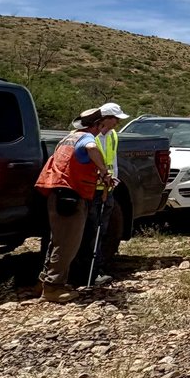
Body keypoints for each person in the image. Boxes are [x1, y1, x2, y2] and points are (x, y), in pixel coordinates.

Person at [35, 106, 120, 303]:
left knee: (57, 240)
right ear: (97, 124)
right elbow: (91, 148)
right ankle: (53, 287)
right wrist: (104, 171)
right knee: (68, 243)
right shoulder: (87, 138)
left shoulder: (69, 137)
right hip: (71, 196)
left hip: (56, 193)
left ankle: (44, 282)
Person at [76, 102, 129, 288]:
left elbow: (111, 161)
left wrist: (113, 179)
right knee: (91, 230)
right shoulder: (90, 137)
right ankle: (88, 271)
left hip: (107, 189)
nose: (117, 123)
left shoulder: (113, 136)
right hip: (92, 190)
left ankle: (96, 268)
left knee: (101, 230)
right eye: (115, 119)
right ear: (105, 119)